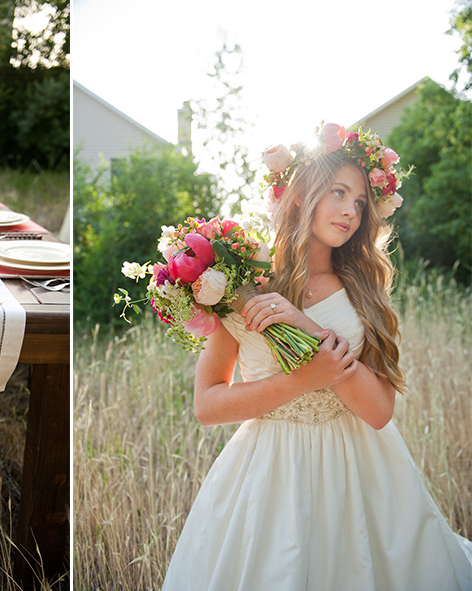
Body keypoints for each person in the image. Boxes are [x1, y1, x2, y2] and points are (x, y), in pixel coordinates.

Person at [161, 124, 472, 590]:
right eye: (339, 193)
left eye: (361, 202)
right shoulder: (243, 281)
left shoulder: (366, 289)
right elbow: (207, 406)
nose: (350, 210)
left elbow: (379, 411)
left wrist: (308, 328)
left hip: (359, 468)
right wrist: (303, 380)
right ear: (303, 193)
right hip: (271, 472)